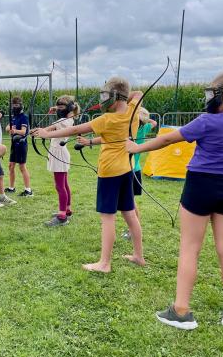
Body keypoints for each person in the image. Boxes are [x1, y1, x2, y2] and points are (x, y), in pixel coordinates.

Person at [127, 70, 223, 330]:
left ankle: (181, 311)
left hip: (200, 185)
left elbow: (168, 138)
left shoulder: (207, 121)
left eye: (212, 94)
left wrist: (136, 148)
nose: (209, 98)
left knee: (190, 248)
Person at [33, 77, 145, 272]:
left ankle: (104, 263)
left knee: (107, 218)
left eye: (106, 95)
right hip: (126, 170)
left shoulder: (106, 119)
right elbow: (138, 93)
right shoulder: (133, 110)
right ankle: (138, 256)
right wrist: (123, 99)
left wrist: (46, 134)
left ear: (114, 97)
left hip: (109, 173)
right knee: (129, 214)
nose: (103, 100)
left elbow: (76, 129)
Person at [43, 96, 80, 226]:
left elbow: (47, 130)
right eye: (58, 107)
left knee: (60, 186)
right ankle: (67, 210)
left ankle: (62, 216)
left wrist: (36, 131)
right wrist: (56, 108)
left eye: (61, 107)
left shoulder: (62, 121)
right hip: (60, 153)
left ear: (68, 108)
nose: (59, 109)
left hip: (59, 154)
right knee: (64, 184)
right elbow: (64, 111)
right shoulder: (69, 119)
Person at [122, 107, 157, 240]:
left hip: (130, 170)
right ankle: (133, 228)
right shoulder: (145, 127)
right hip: (135, 169)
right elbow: (154, 123)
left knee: (129, 203)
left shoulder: (130, 130)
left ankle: (133, 230)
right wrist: (146, 119)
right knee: (130, 202)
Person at [5, 95, 33, 197]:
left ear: (21, 105)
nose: (14, 107)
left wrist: (14, 130)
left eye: (16, 105)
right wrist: (10, 129)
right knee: (11, 165)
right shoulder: (14, 117)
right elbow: (7, 128)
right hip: (14, 144)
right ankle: (11, 188)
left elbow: (23, 132)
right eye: (13, 105)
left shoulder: (24, 117)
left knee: (22, 167)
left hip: (21, 144)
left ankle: (28, 190)